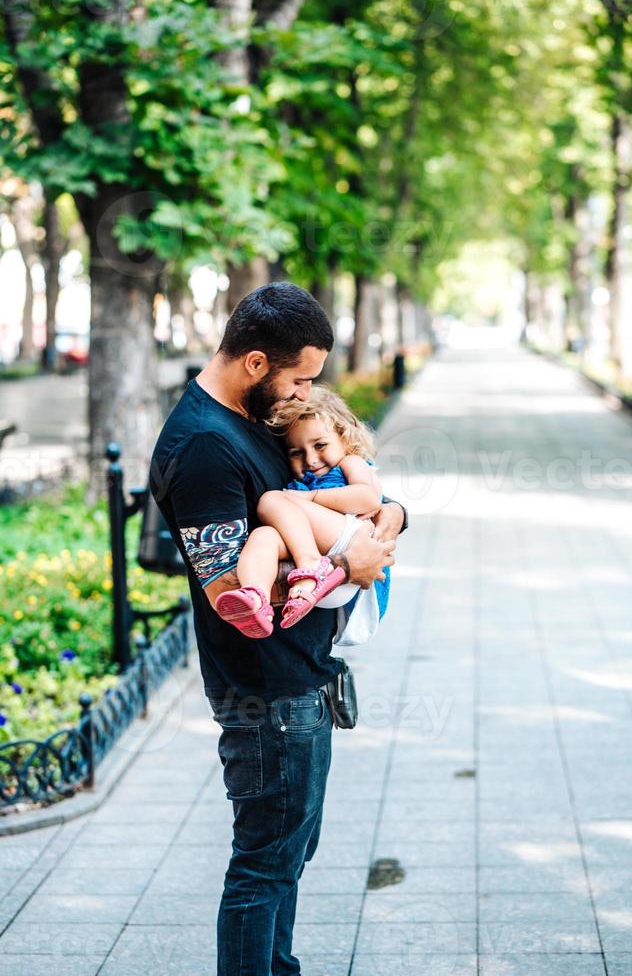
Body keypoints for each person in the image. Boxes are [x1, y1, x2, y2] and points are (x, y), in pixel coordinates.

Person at [149, 282, 407, 976]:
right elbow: (229, 585)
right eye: (301, 377)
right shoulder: (203, 445)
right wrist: (346, 561)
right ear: (257, 363)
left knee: (288, 856)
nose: (305, 393)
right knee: (263, 867)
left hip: (301, 685)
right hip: (267, 697)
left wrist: (390, 516)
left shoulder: (251, 417)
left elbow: (331, 487)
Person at [214, 384, 389, 636]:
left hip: (351, 543)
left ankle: (310, 563)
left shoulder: (351, 462)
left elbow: (369, 499)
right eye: (296, 452)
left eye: (320, 445)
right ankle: (255, 597)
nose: (310, 459)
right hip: (323, 570)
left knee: (271, 501)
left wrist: (309, 496)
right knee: (264, 538)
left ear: (344, 436)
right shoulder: (303, 480)